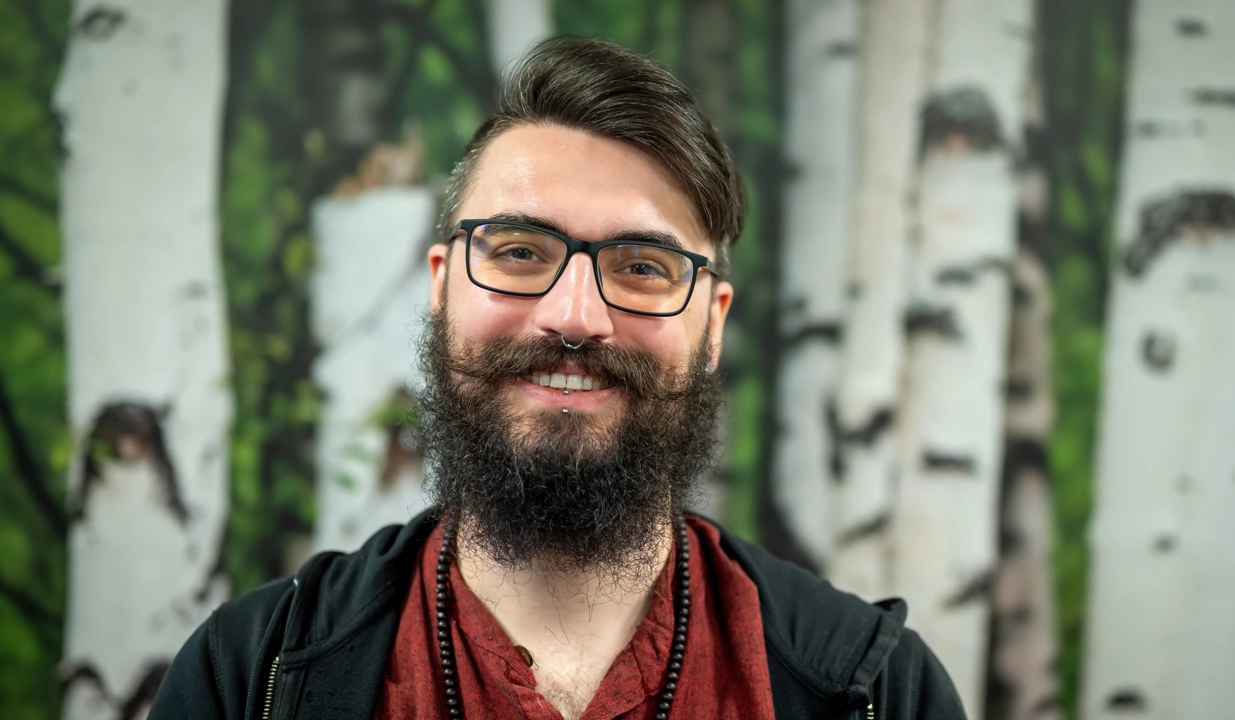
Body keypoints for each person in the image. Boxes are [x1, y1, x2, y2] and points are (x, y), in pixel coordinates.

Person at [151, 38, 965, 720]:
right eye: (518, 253)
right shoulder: (246, 677)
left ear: (712, 323)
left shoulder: (882, 693)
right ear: (441, 289)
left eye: (642, 265)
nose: (574, 316)